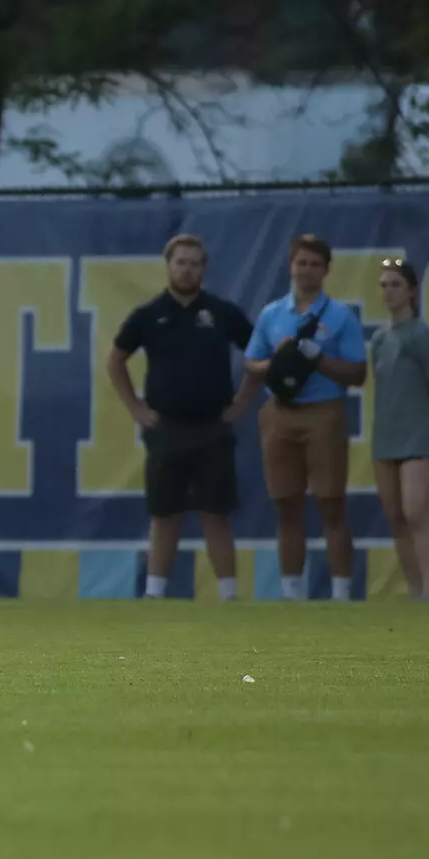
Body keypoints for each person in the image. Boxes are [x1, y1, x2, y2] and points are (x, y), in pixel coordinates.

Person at [107, 234, 258, 599]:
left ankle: (228, 595)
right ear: (168, 266)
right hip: (166, 427)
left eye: (194, 263)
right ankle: (155, 593)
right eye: (181, 262)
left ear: (204, 268)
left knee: (216, 513)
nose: (187, 270)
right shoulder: (149, 315)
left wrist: (242, 402)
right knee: (165, 513)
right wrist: (136, 407)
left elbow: (259, 355)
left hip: (213, 426)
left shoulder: (222, 313)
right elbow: (115, 360)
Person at [244, 234, 368, 601]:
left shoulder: (339, 316)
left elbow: (357, 373)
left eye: (315, 264)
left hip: (323, 411)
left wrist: (317, 357)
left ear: (326, 270)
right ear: (291, 266)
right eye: (302, 263)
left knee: (331, 503)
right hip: (281, 411)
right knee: (286, 504)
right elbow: (251, 362)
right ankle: (290, 593)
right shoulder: (272, 313)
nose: (307, 270)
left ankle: (341, 593)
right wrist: (276, 362)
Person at [370, 257, 429, 600]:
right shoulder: (379, 338)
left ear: (412, 291)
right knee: (395, 516)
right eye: (383, 285)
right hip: (385, 437)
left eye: (395, 284)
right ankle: (415, 589)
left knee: (416, 512)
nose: (388, 291)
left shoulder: (421, 334)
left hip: (418, 436)